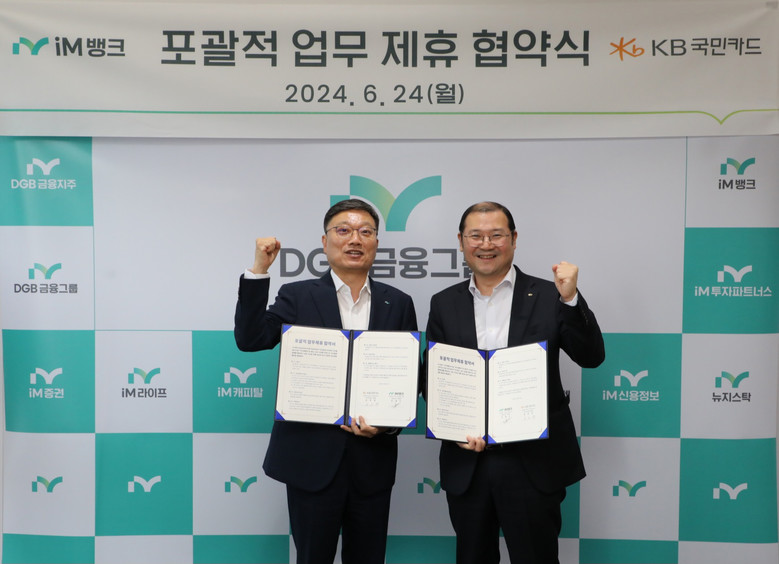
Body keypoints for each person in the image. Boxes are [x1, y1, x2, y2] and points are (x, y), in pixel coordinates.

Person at [234, 199, 417, 564]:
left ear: (376, 242)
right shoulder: (298, 296)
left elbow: (409, 376)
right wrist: (259, 270)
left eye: (366, 232)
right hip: (310, 460)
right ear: (325, 240)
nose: (355, 239)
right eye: (343, 230)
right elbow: (250, 339)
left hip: (372, 461)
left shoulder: (397, 302)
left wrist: (387, 425)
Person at [425, 201, 605, 564]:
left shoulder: (550, 295)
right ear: (461, 241)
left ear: (514, 239)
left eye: (496, 235)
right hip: (468, 461)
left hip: (533, 463)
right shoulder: (444, 303)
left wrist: (570, 298)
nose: (486, 244)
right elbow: (434, 378)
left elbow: (591, 356)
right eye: (476, 236)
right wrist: (454, 427)